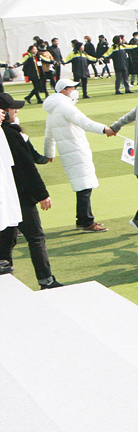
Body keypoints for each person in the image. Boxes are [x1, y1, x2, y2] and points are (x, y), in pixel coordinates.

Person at [0, 93, 60, 288]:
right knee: (35, 237)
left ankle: (6, 281)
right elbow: (27, 168)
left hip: (7, 197)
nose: (16, 111)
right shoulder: (11, 134)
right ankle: (46, 280)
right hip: (19, 196)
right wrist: (42, 194)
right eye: (13, 108)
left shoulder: (9, 133)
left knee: (6, 240)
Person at [43, 78, 114, 232]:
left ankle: (82, 220)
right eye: (72, 88)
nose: (74, 90)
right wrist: (104, 129)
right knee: (84, 186)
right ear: (64, 90)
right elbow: (84, 122)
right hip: (76, 150)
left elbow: (48, 136)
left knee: (82, 186)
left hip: (69, 152)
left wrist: (49, 153)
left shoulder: (53, 110)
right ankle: (87, 222)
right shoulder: (65, 107)